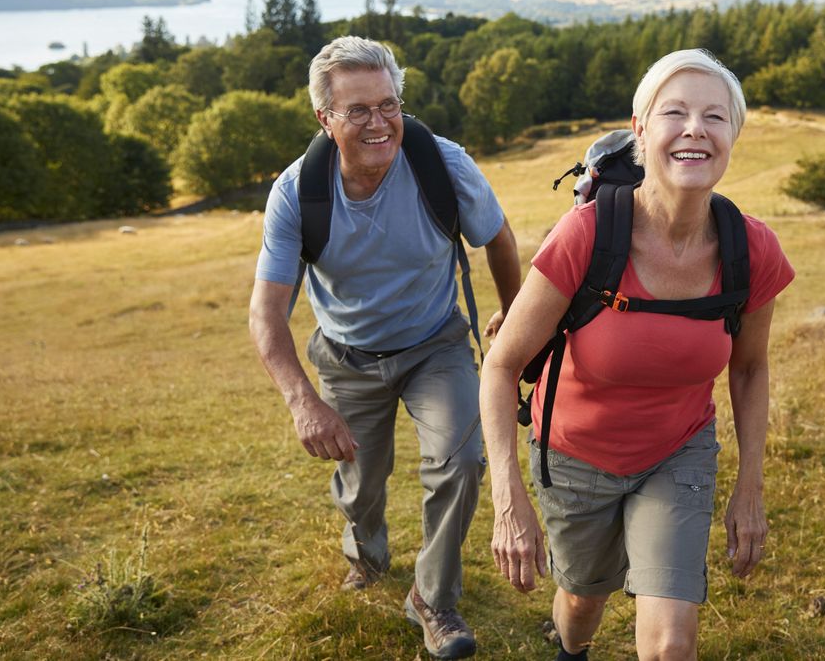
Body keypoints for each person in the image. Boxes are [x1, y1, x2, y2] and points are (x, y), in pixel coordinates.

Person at [478, 48, 794, 660]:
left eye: (715, 116)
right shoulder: (588, 234)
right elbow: (501, 364)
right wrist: (507, 496)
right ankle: (572, 649)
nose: (695, 128)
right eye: (674, 112)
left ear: (733, 136)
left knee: (672, 643)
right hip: (573, 455)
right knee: (580, 605)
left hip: (678, 452)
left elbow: (750, 368)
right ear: (641, 131)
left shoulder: (751, 248)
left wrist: (750, 485)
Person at [249, 36, 521, 661]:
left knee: (461, 461)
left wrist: (513, 320)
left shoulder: (442, 163)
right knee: (361, 485)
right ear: (325, 118)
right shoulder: (297, 193)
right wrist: (303, 403)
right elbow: (266, 315)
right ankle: (366, 552)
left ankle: (433, 599)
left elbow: (499, 239)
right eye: (358, 110)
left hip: (436, 345)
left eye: (388, 104)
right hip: (346, 357)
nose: (380, 122)